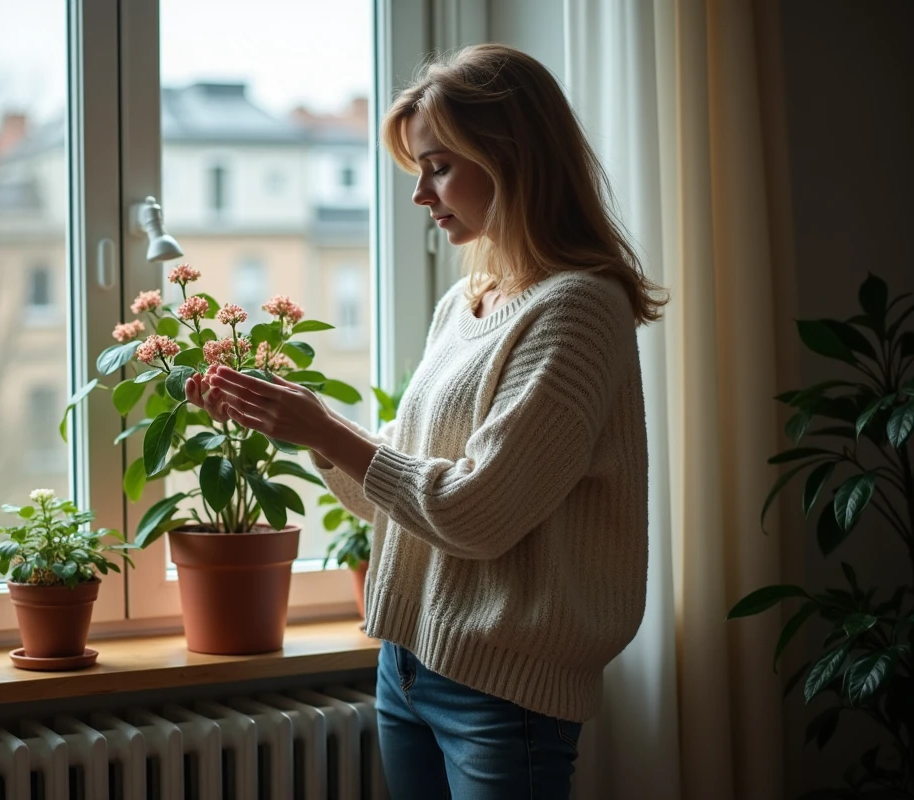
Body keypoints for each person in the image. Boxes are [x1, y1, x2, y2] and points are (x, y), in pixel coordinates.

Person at [185, 43, 665, 800]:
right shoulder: (462, 304)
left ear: (511, 157)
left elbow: (476, 515)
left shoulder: (577, 310)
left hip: (505, 699)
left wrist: (324, 429)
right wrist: (297, 426)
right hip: (406, 666)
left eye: (438, 165)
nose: (421, 195)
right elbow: (400, 498)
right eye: (418, 169)